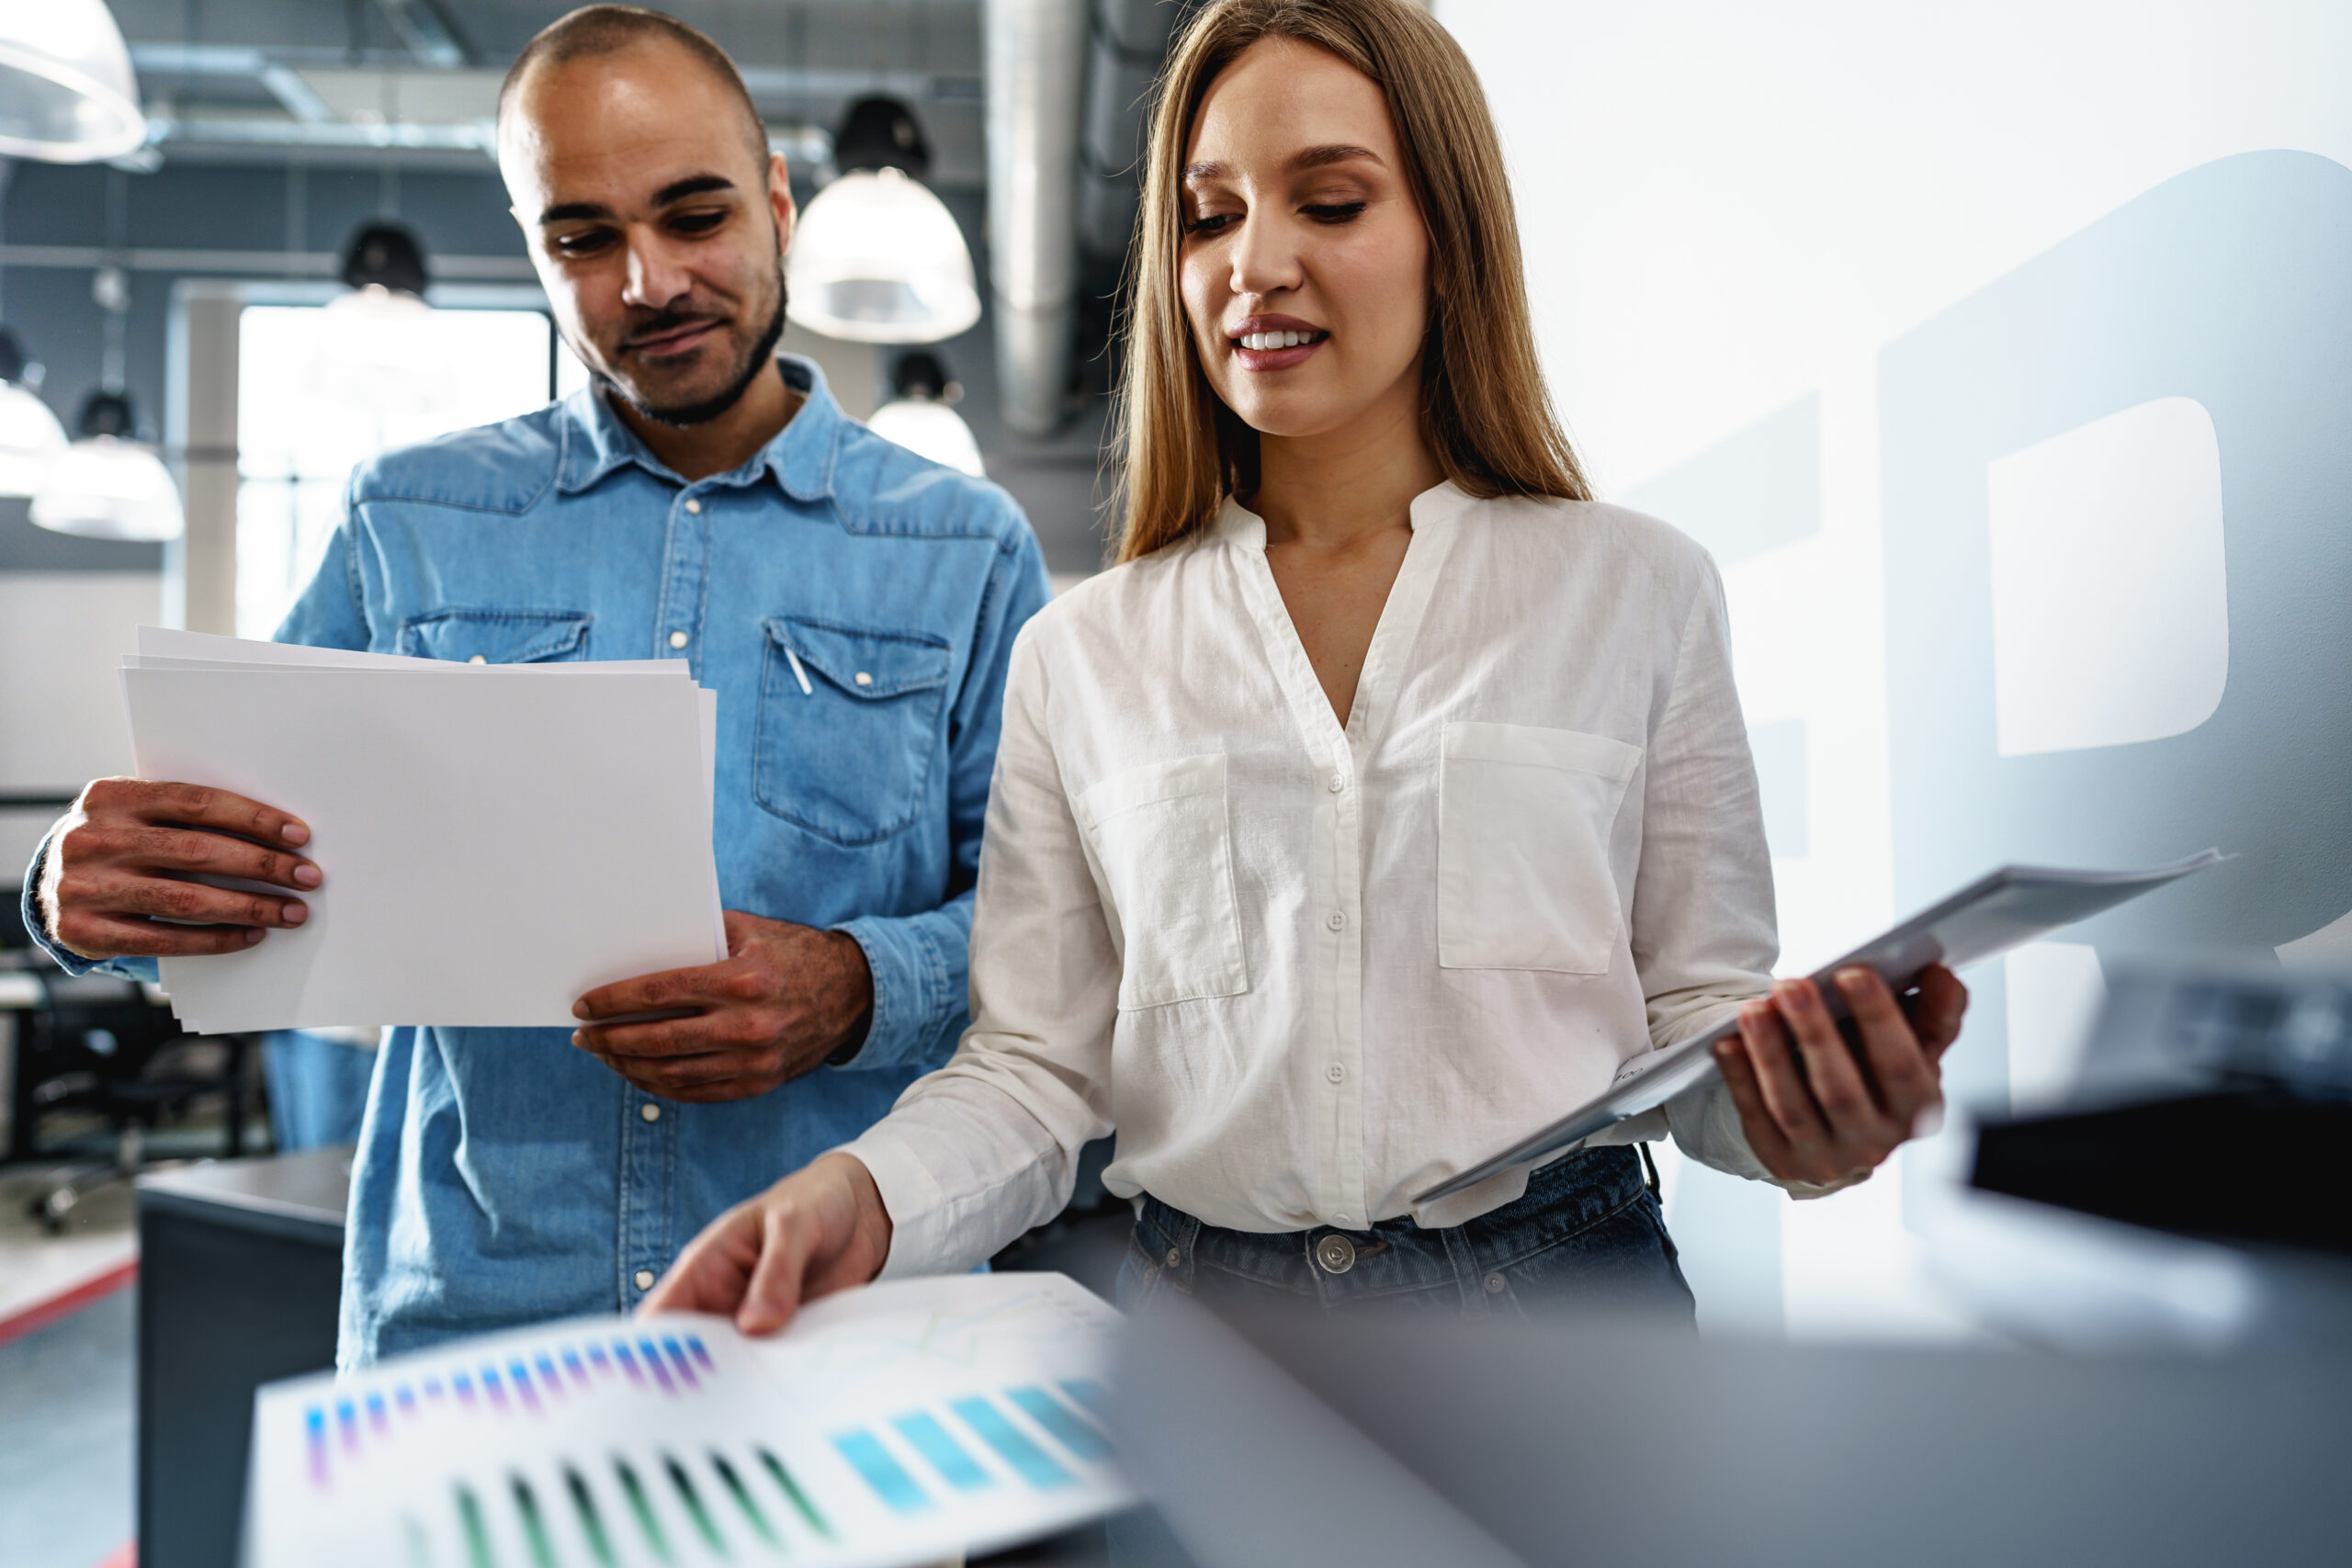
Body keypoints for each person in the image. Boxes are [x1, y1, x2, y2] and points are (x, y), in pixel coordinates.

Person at [646, 0, 1970, 1335]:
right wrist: (853, 1195)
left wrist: (1804, 1123)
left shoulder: (1638, 590)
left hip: (1568, 1317)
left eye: (1330, 204)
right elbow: (1034, 1074)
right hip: (1211, 1341)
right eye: (1211, 216)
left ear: (1448, 242)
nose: (1255, 263)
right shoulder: (1081, 656)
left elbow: (1699, 1023)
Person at [19, 6, 1049, 1364]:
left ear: (781, 202)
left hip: (839, 1335)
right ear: (533, 247)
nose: (649, 282)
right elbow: (235, 875)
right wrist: (76, 890)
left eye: (696, 215)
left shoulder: (963, 548)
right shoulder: (409, 517)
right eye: (584, 237)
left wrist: (861, 985)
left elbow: (1054, 945)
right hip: (472, 1318)